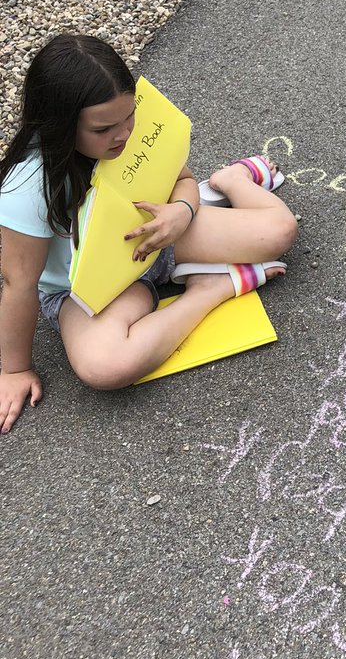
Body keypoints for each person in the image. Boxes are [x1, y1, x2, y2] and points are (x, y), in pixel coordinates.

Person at [0, 34, 298, 433]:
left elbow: (183, 178)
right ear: (59, 125)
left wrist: (182, 210)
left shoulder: (125, 124)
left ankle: (232, 178)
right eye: (105, 129)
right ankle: (209, 291)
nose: (123, 136)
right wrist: (15, 368)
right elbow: (19, 284)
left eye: (129, 119)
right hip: (90, 290)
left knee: (280, 231)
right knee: (104, 366)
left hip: (160, 237)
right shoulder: (27, 189)